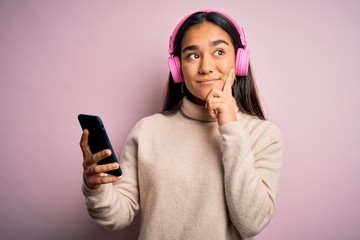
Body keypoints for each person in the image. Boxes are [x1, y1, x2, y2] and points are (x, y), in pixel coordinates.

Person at [80, 10, 283, 240]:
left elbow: (251, 223)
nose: (206, 66)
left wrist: (230, 127)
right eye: (193, 55)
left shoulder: (264, 135)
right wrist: (96, 188)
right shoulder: (147, 131)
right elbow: (117, 216)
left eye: (218, 51)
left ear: (239, 61)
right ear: (178, 69)